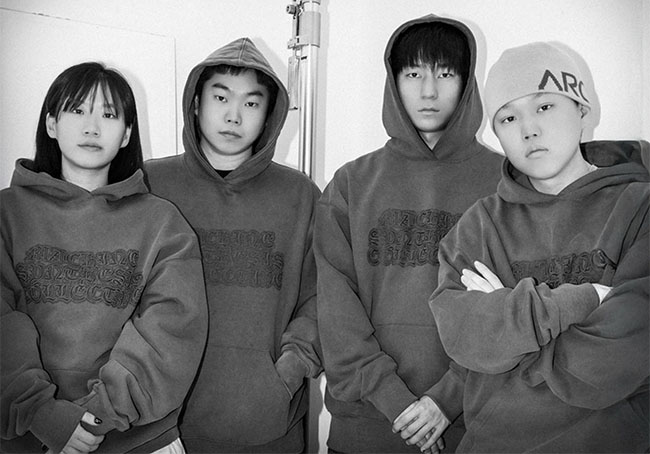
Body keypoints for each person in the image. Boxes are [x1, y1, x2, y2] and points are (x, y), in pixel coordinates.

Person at [428, 41, 649, 452]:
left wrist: (511, 335)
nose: (528, 129)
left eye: (544, 106)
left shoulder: (640, 207)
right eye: (508, 117)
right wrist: (586, 299)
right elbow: (463, 336)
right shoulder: (479, 225)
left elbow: (624, 356)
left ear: (582, 108)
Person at [314, 14, 503, 453]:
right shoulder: (351, 184)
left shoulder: (504, 183)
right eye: (414, 74)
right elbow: (335, 312)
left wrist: (446, 400)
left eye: (446, 74)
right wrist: (395, 402)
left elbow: (510, 307)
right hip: (364, 428)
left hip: (474, 426)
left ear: (467, 82)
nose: (429, 91)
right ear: (393, 81)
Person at [0, 62, 208, 454]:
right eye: (77, 110)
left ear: (127, 133)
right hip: (24, 436)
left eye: (109, 115)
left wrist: (97, 415)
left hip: (139, 439)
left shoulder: (163, 222)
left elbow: (173, 330)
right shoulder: (6, 215)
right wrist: (40, 413)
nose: (92, 127)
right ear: (51, 124)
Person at [144, 37, 322, 453]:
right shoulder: (151, 185)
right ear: (196, 103)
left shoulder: (300, 196)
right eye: (221, 97)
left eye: (251, 103)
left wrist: (286, 375)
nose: (233, 115)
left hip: (268, 428)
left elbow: (321, 300)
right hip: (159, 431)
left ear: (269, 115)